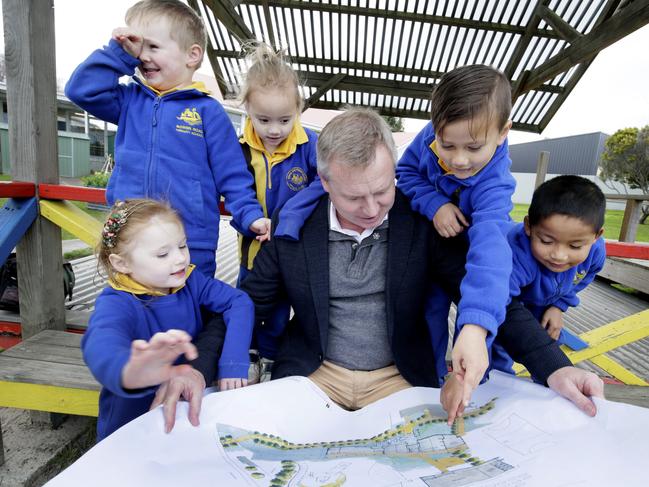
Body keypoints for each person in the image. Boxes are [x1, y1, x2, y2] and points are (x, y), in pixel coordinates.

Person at [156, 108, 603, 432]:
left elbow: (487, 297)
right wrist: (197, 366)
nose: (371, 209)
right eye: (353, 198)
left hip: (399, 379)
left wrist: (555, 368)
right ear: (326, 182)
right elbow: (245, 303)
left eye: (383, 190)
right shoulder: (294, 230)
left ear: (394, 170)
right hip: (314, 375)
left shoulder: (424, 223)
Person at [64, 0, 269, 277]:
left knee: (188, 314)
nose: (142, 57)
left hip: (189, 242)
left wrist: (249, 216)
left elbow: (232, 175)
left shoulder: (208, 111)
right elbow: (80, 90)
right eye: (136, 48)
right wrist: (119, 54)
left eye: (152, 47)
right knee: (129, 312)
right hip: (129, 240)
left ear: (192, 55)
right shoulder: (128, 101)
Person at [83, 199, 254, 441]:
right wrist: (129, 371)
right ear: (122, 263)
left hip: (187, 408)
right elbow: (101, 341)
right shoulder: (117, 301)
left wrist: (233, 362)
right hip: (131, 423)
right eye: (163, 254)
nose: (180, 259)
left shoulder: (190, 281)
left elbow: (238, 302)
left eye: (182, 246)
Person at [441, 175, 607, 423]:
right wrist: (464, 373)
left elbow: (586, 275)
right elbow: (486, 309)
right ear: (529, 226)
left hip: (542, 304)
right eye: (547, 241)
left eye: (575, 246)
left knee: (546, 346)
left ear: (596, 236)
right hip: (501, 304)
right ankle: (481, 397)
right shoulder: (512, 255)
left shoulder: (595, 252)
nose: (559, 256)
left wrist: (558, 305)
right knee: (493, 358)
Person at [396, 64, 516, 384]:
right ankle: (428, 380)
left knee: (480, 325)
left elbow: (491, 250)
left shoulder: (496, 186)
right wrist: (435, 205)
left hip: (472, 261)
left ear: (503, 132)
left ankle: (478, 383)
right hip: (431, 250)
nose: (459, 159)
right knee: (428, 316)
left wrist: (475, 327)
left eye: (474, 147)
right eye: (447, 145)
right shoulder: (427, 138)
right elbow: (405, 174)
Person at [236, 43, 319, 369]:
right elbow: (236, 190)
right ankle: (248, 355)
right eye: (263, 119)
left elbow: (323, 182)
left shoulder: (310, 145)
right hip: (253, 246)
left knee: (282, 305)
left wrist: (289, 217)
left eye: (285, 119)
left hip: (290, 245)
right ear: (246, 109)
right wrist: (251, 219)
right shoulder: (240, 147)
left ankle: (271, 356)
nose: (274, 129)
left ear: (299, 109)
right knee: (247, 303)